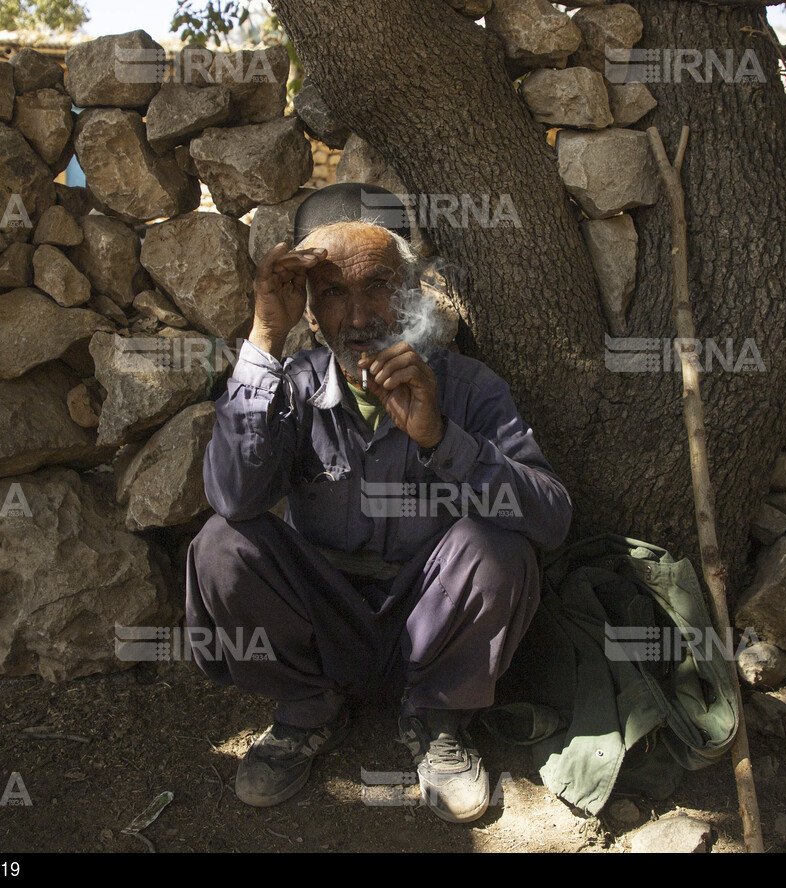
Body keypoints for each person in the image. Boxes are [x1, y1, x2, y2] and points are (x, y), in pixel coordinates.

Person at [184, 183, 572, 823]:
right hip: (324, 618)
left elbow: (551, 520)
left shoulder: (468, 388)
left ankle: (440, 720)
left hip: (431, 621)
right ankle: (305, 710)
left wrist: (443, 440)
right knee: (223, 543)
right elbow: (232, 497)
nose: (359, 316)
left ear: (414, 291)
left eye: (379, 287)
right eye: (333, 292)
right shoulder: (291, 386)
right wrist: (261, 339)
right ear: (309, 309)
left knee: (497, 544)